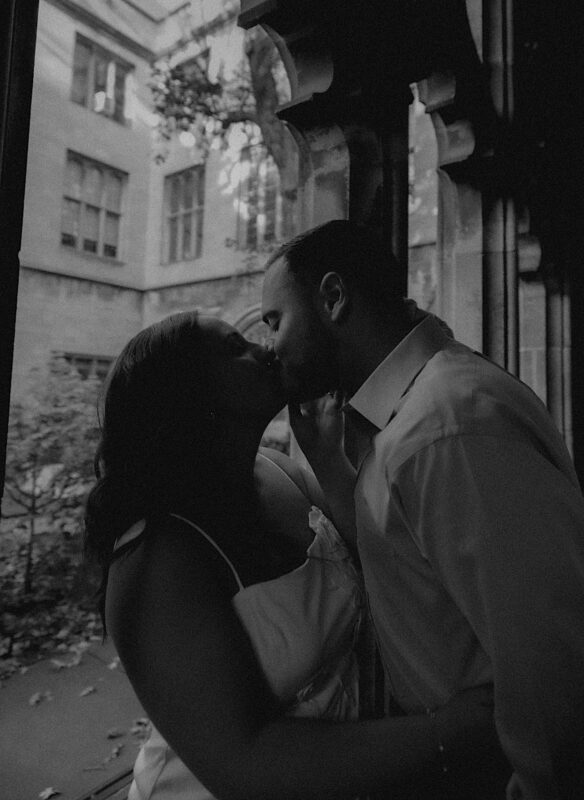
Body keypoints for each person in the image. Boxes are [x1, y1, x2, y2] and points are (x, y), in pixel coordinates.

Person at [261, 219, 584, 800]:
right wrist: (323, 455)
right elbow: (407, 575)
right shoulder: (412, 419)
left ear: (334, 299)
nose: (271, 347)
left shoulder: (446, 429)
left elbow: (564, 693)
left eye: (275, 321)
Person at [84, 310, 497, 800]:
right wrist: (454, 730)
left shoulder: (279, 471)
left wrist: (325, 456)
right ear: (190, 395)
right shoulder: (157, 558)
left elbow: (377, 565)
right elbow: (244, 763)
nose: (266, 350)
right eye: (236, 347)